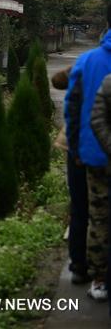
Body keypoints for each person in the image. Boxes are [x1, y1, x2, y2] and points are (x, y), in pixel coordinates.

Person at [66, 16, 111, 301]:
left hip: (90, 154)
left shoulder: (87, 61)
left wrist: (74, 148)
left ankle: (85, 269)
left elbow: (72, 108)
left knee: (88, 213)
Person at [54, 65, 89, 285]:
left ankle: (78, 264)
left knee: (79, 207)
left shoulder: (88, 62)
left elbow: (57, 80)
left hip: (78, 146)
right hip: (93, 146)